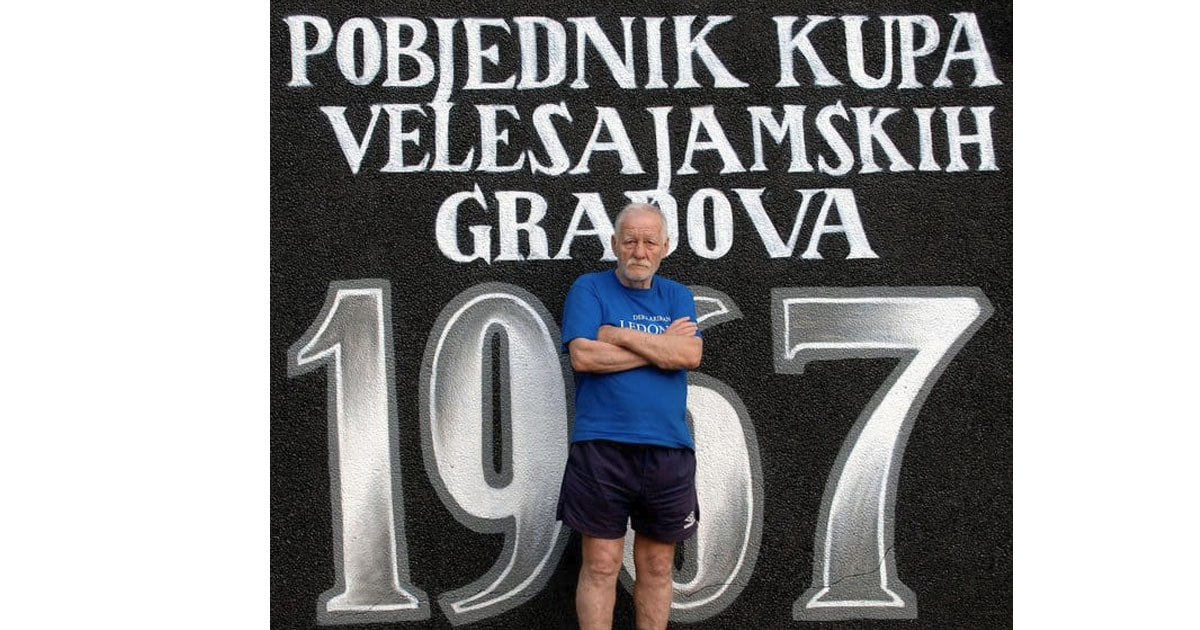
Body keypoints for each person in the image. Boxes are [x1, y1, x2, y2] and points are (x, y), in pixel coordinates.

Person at [557, 202, 703, 630]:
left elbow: (689, 354)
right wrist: (661, 349)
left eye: (650, 242)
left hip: (668, 450)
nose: (639, 251)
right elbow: (584, 357)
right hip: (602, 447)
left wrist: (618, 335)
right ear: (614, 244)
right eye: (630, 241)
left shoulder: (676, 295)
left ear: (665, 247)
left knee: (657, 566)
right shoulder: (589, 288)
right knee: (601, 563)